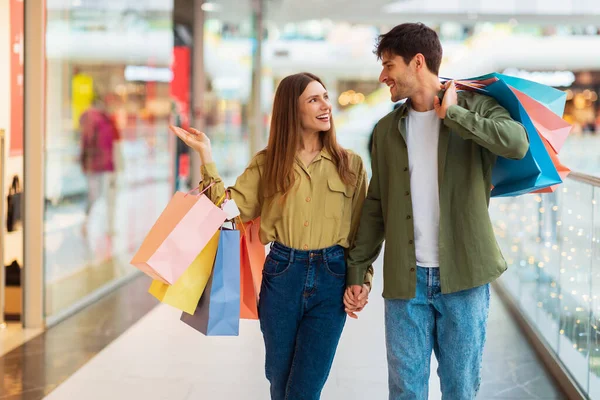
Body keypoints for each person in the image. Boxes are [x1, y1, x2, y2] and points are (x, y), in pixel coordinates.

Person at [344, 23, 529, 399]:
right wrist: (358, 270)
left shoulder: (475, 106)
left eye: (388, 65)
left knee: (460, 389)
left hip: (465, 278)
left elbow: (517, 144)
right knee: (406, 391)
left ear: (416, 62)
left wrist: (456, 116)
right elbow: (377, 204)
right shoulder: (385, 130)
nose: (383, 77)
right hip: (404, 282)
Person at [170, 72, 373, 400]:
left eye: (325, 96)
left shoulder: (351, 165)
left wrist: (361, 279)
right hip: (282, 276)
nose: (326, 105)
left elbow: (362, 233)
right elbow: (227, 210)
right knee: (279, 384)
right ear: (292, 111)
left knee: (304, 390)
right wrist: (206, 156)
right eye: (313, 99)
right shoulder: (268, 164)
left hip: (331, 278)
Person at [79, 95, 120, 237]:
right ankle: (92, 224)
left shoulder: (103, 120)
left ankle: (93, 224)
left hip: (100, 165)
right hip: (102, 165)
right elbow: (113, 145)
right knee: (100, 196)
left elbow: (86, 144)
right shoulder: (100, 120)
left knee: (98, 196)